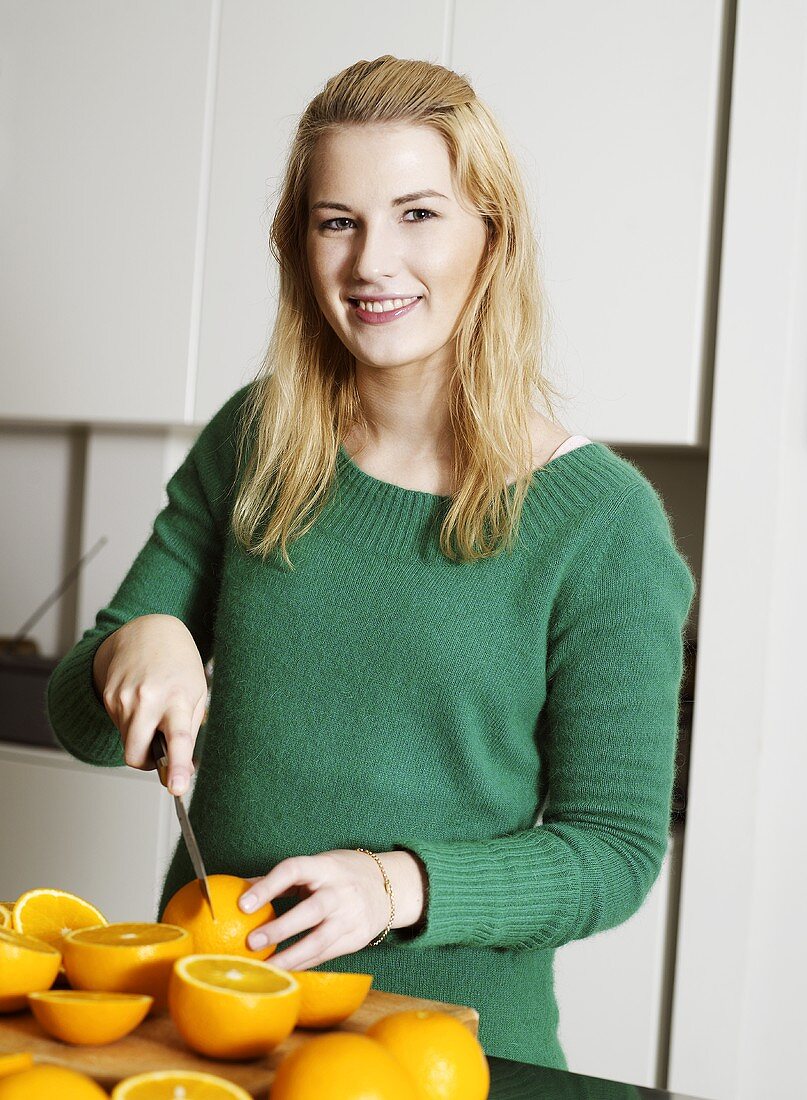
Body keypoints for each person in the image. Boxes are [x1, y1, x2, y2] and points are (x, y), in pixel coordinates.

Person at [47, 55, 696, 1070]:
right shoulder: (255, 439)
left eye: (419, 214)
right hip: (211, 1031)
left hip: (435, 1056)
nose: (370, 262)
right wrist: (141, 639)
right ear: (299, 244)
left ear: (494, 233)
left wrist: (393, 883)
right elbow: (80, 719)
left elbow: (614, 852)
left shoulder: (602, 524)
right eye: (336, 219)